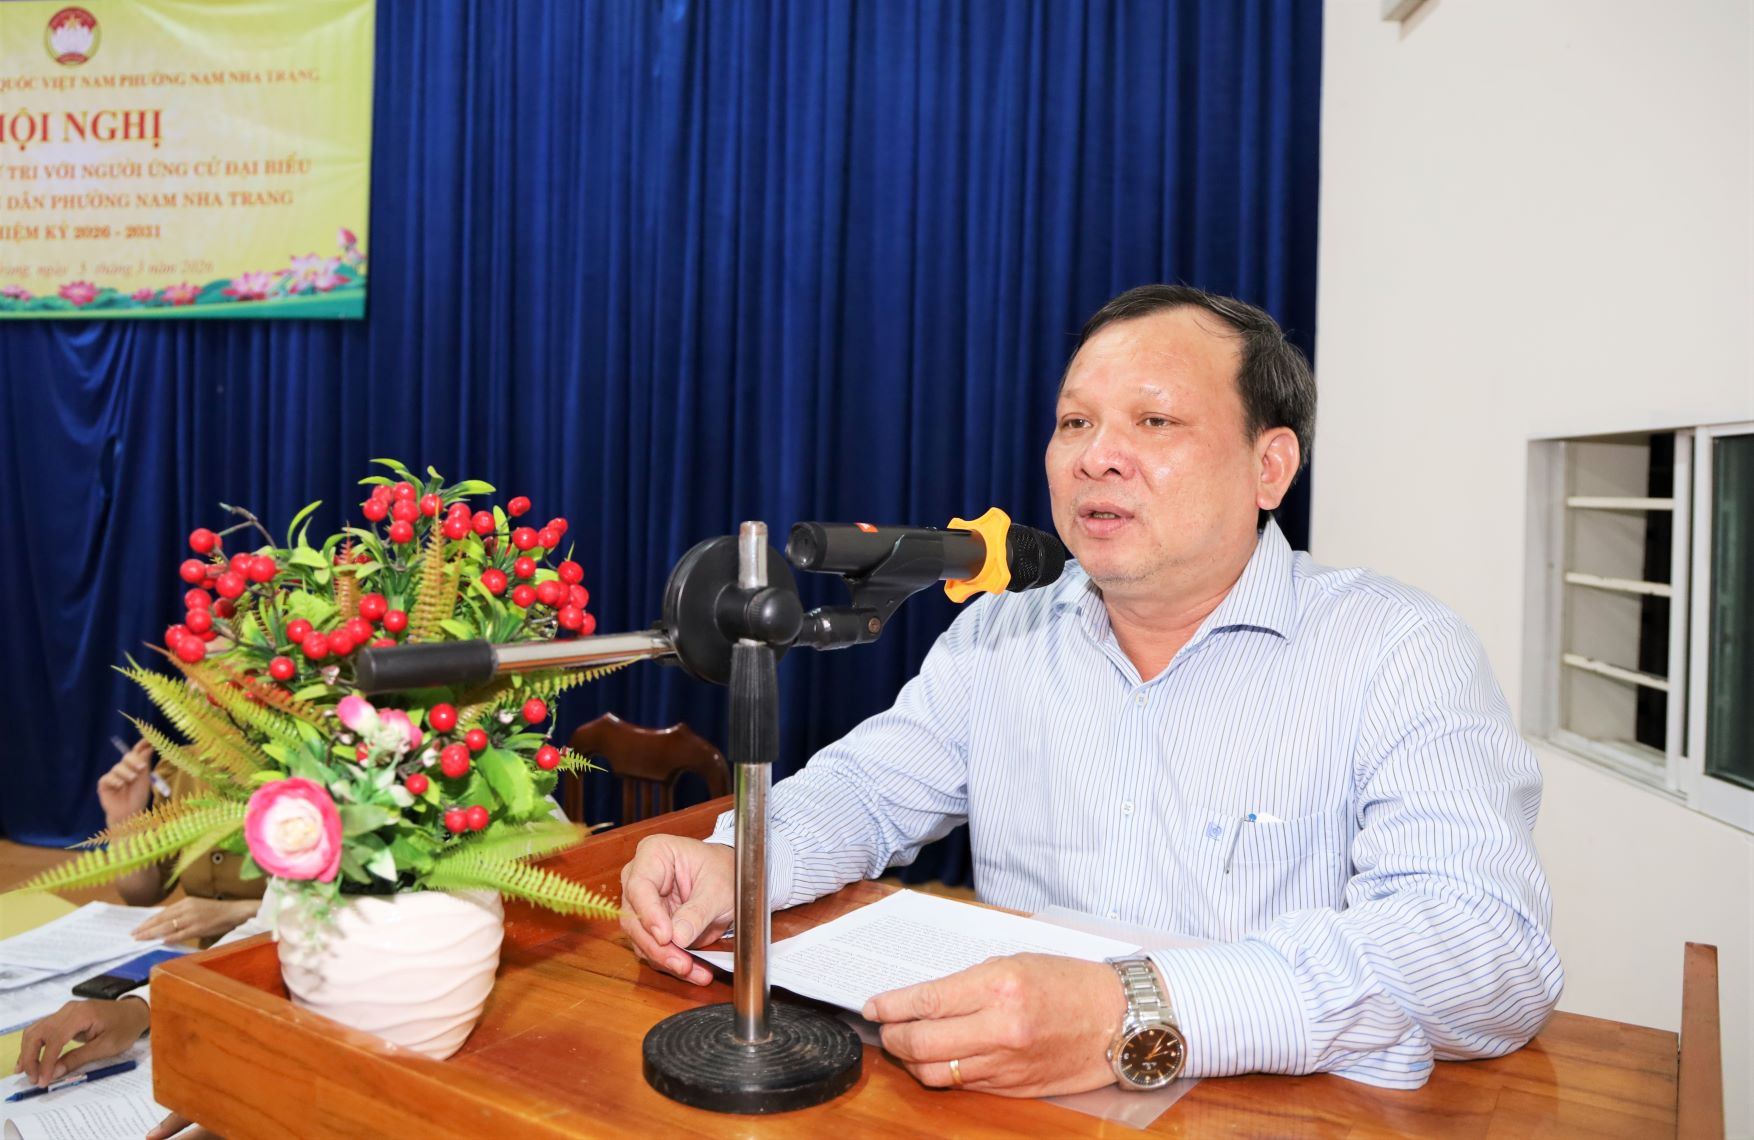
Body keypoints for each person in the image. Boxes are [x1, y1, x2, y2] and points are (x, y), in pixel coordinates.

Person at [621, 283, 1564, 1096]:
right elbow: (868, 792)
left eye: (1154, 422)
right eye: (1075, 422)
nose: (1094, 457)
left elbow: (1486, 954)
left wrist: (1136, 1011)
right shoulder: (1001, 630)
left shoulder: (1398, 650)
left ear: (1269, 466)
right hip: (1005, 1097)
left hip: (1264, 1106)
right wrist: (740, 861)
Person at [100, 739, 264, 943]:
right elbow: (143, 894)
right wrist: (124, 823)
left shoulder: (298, 764)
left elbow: (305, 910)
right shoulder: (184, 766)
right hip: (209, 959)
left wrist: (236, 913)